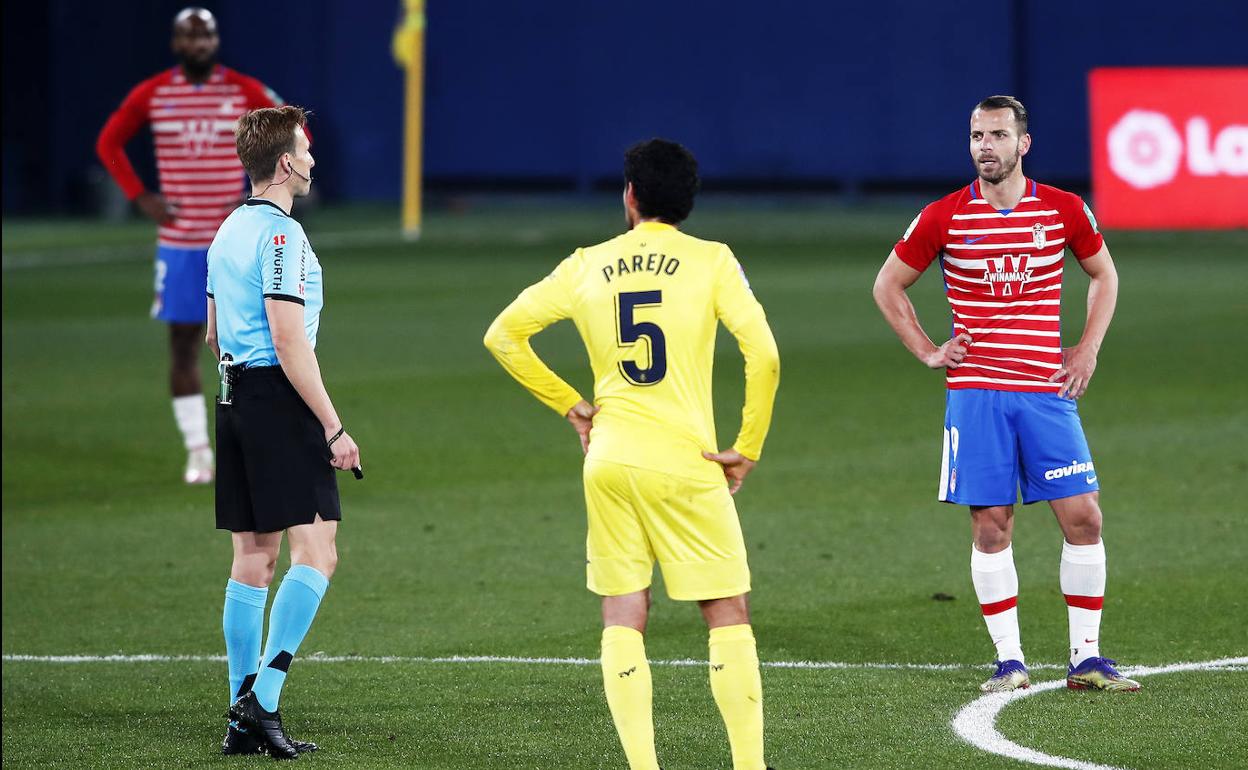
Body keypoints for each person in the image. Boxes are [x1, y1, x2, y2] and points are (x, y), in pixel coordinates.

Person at [484, 139, 780, 770]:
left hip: (610, 458)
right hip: (688, 461)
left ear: (631, 196)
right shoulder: (712, 261)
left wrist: (571, 405)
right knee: (727, 612)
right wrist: (746, 446)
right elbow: (766, 356)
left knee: (624, 614)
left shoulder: (587, 263)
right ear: (688, 202)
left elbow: (503, 335)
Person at [872, 95, 1139, 693]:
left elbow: (1104, 274)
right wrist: (926, 348)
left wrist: (1088, 347)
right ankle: (1009, 662)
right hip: (977, 394)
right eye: (975, 136)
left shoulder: (1065, 209)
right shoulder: (943, 215)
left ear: (1024, 143)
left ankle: (1087, 659)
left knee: (1084, 517)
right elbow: (888, 284)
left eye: (995, 135)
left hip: (1047, 391)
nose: (983, 147)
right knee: (992, 526)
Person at [207, 105, 361, 758]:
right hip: (276, 399)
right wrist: (332, 426)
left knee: (252, 559)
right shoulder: (280, 238)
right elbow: (288, 335)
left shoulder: (225, 232)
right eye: (307, 149)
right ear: (287, 163)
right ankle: (263, 699)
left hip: (235, 399)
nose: (315, 160)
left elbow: (214, 331)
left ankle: (241, 714)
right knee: (318, 552)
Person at [96, 7, 287, 484]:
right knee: (183, 345)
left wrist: (263, 183)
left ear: (216, 41)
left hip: (235, 241)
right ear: (176, 43)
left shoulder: (242, 89)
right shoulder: (154, 93)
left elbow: (294, 131)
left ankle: (255, 441)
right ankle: (199, 451)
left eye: (206, 37)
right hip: (180, 243)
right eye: (190, 37)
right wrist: (139, 195)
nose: (199, 45)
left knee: (252, 345)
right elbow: (109, 143)